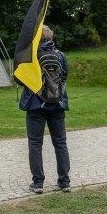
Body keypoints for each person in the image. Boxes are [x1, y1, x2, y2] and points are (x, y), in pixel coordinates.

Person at [18, 25, 70, 194]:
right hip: (57, 103)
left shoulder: (31, 57)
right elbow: (65, 76)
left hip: (35, 105)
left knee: (35, 143)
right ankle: (64, 181)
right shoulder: (60, 56)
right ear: (51, 38)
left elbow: (21, 80)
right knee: (60, 143)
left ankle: (38, 182)